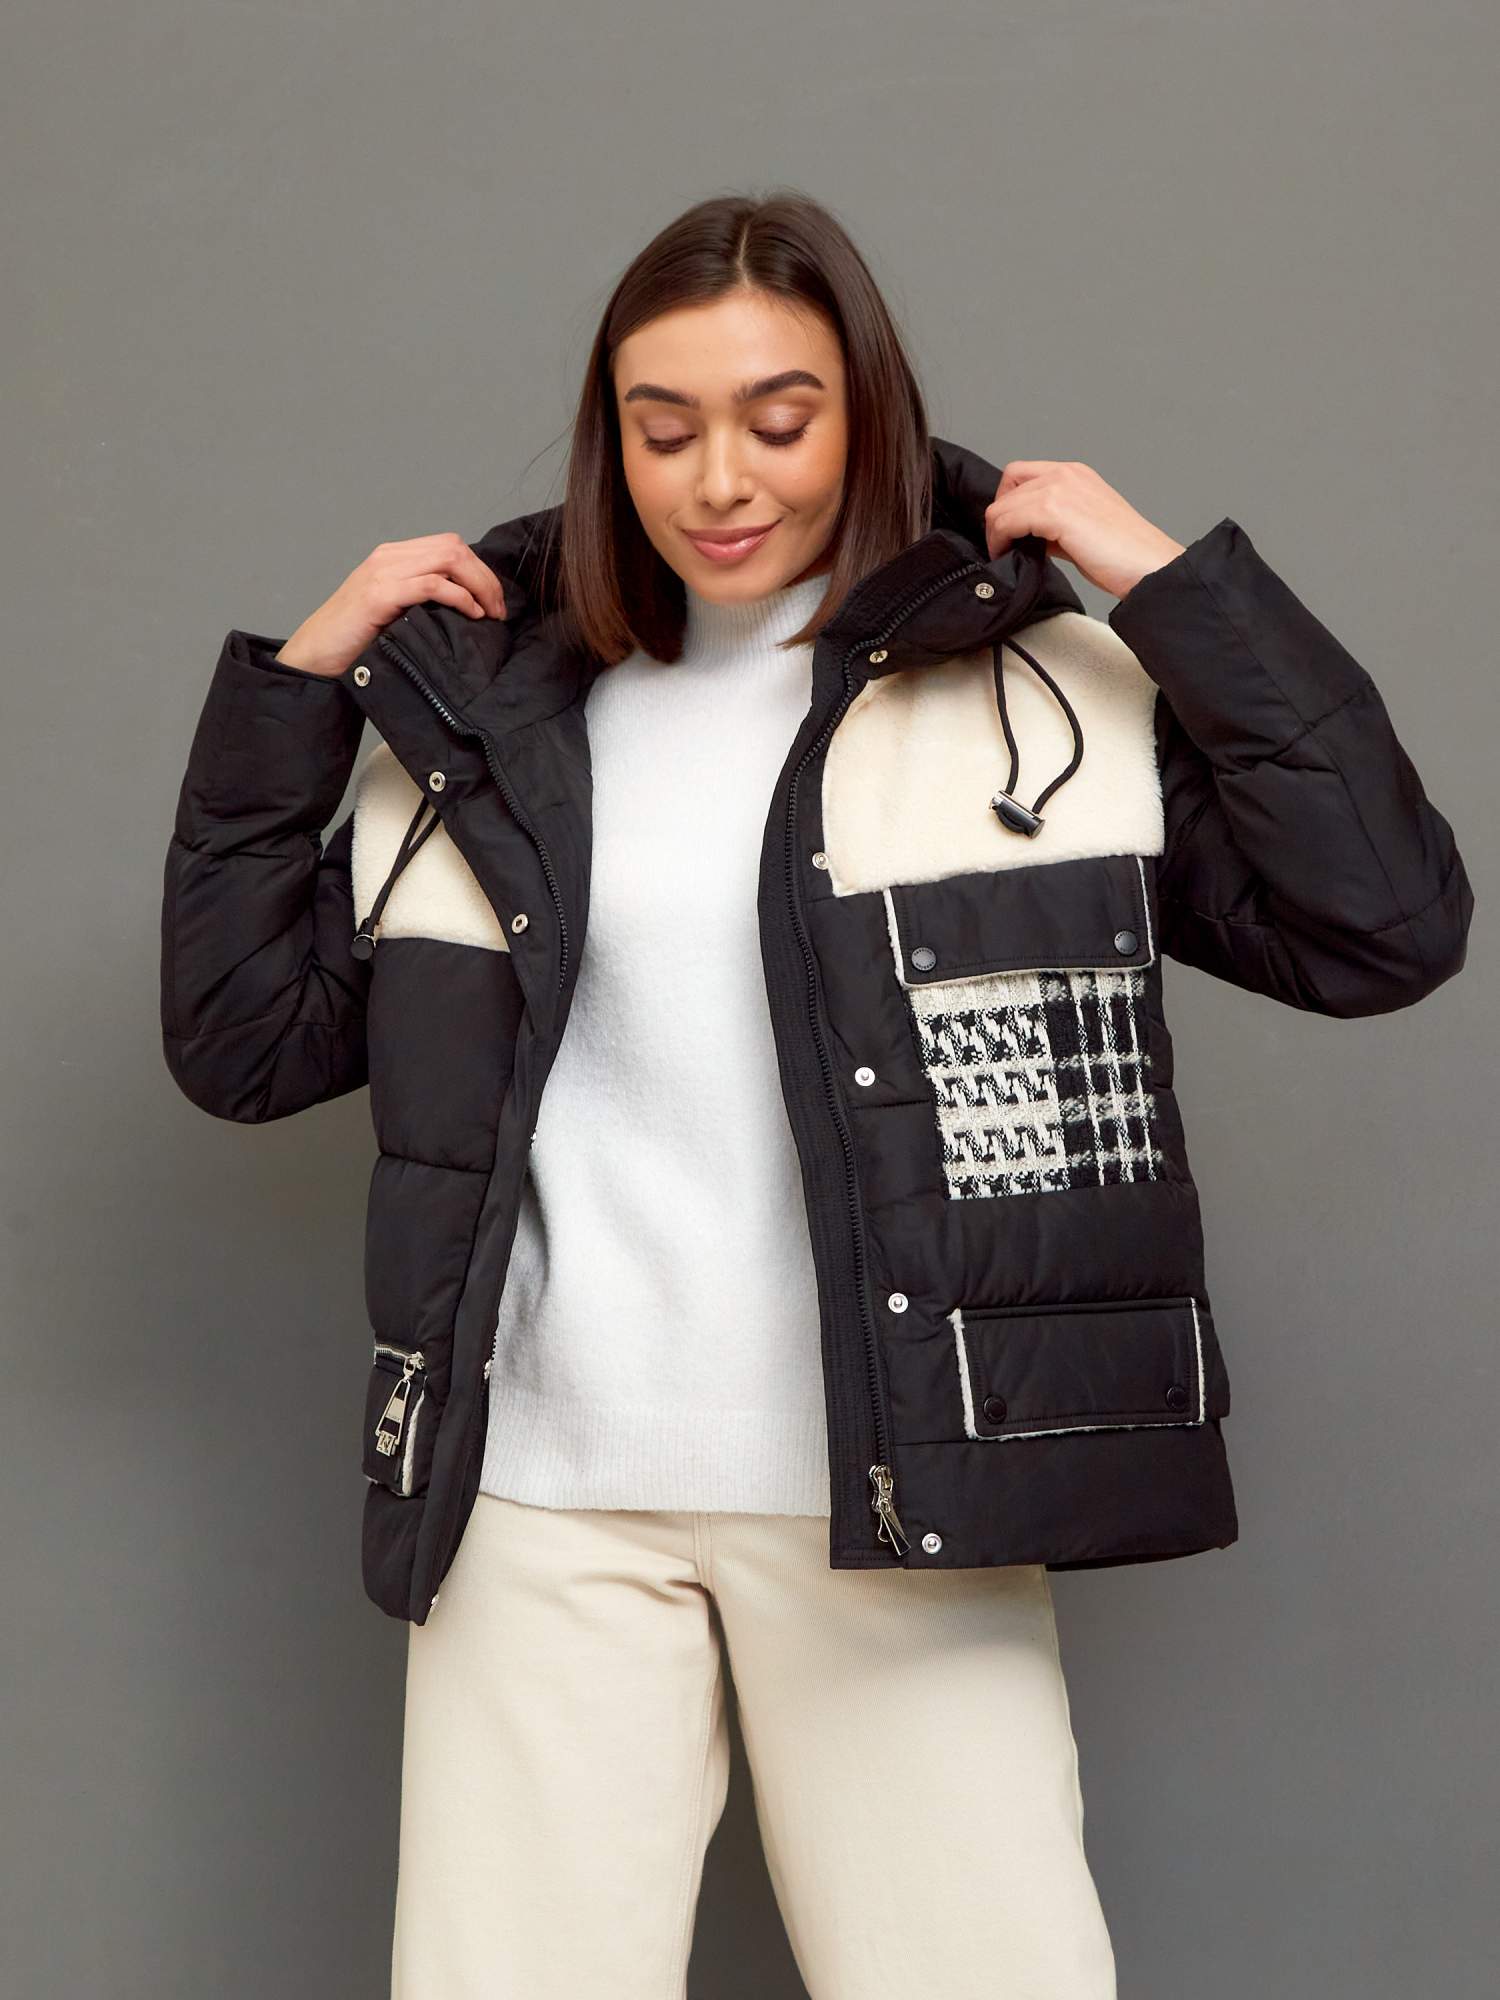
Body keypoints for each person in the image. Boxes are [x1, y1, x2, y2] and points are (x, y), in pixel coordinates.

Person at [160, 189, 1472, 1998]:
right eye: (664, 428)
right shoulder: (480, 723)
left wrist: (1179, 591)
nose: (720, 479)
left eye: (779, 420)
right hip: (537, 1505)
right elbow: (241, 1043)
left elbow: (1385, 925)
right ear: (609, 441)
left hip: (903, 1487)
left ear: (870, 414)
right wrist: (303, 690)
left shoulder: (1045, 689)